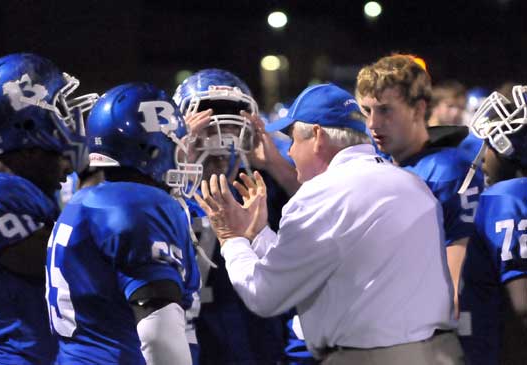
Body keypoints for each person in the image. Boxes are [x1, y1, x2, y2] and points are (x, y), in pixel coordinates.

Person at [195, 83, 463, 365]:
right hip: (436, 353)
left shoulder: (321, 195)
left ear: (318, 136)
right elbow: (324, 265)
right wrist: (259, 234)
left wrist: (231, 238)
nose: (291, 151)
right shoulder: (410, 182)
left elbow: (263, 294)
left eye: (293, 139)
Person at [45, 83, 202, 364]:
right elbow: (157, 333)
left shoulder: (84, 201)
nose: (183, 156)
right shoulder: (138, 204)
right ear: (152, 148)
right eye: (176, 143)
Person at [0, 53, 98, 364]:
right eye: (57, 153)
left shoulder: (14, 191)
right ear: (29, 129)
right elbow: (72, 266)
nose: (67, 161)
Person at [355, 54, 484, 318]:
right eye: (367, 111)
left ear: (418, 109)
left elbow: (457, 274)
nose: (372, 123)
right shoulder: (381, 163)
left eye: (385, 110)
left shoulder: (447, 171)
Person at [174, 68, 288, 365]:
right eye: (209, 127)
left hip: (252, 329)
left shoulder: (264, 185)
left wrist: (275, 164)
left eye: (232, 126)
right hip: (191, 328)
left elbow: (313, 203)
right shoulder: (166, 190)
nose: (221, 139)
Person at [459, 85, 527, 365]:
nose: (483, 154)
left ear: (505, 146)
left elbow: (522, 305)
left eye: (488, 144)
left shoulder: (506, 198)